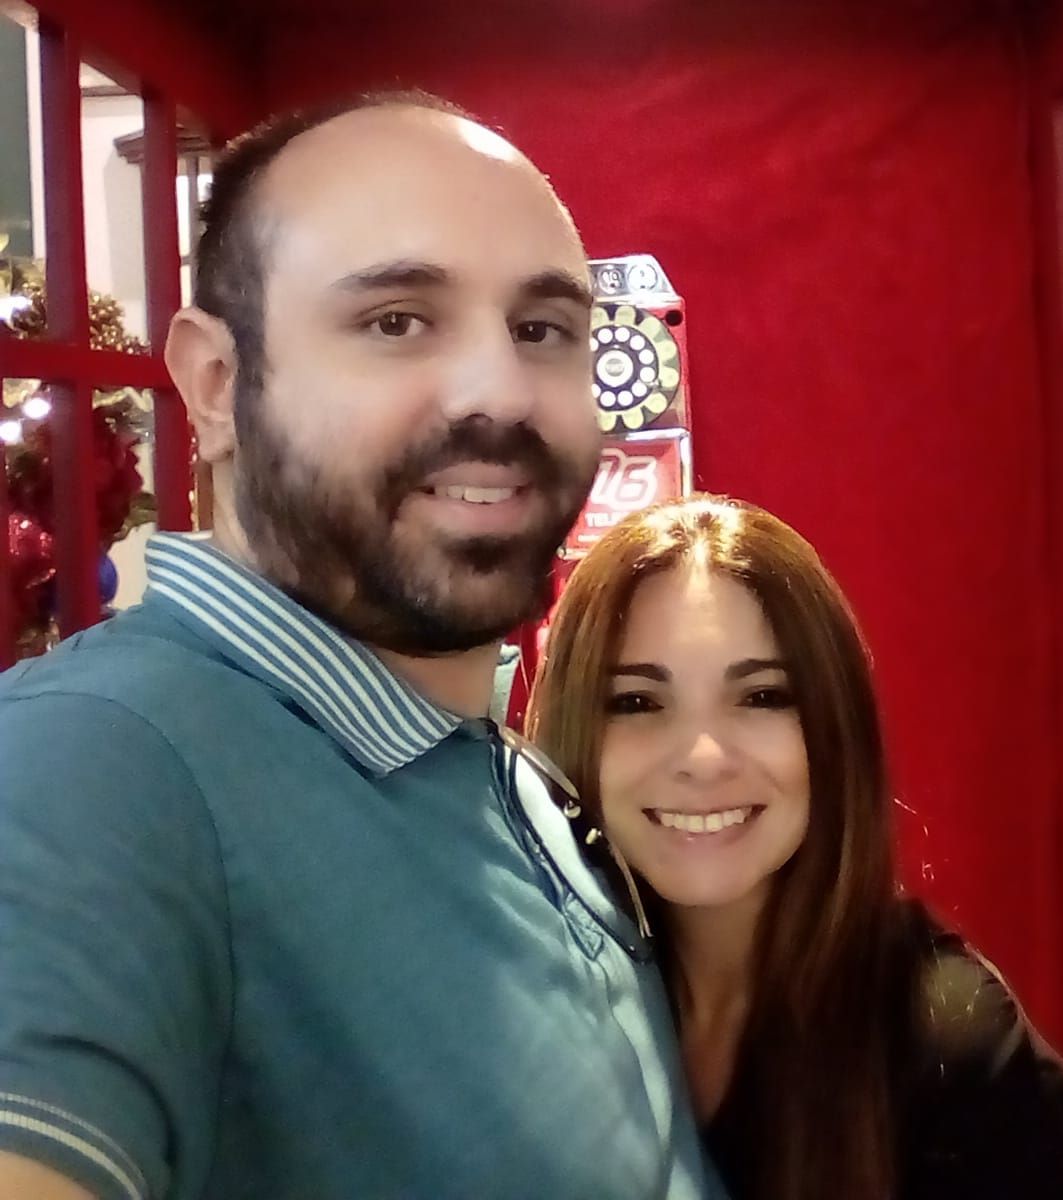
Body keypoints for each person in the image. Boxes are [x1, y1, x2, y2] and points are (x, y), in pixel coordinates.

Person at [0, 93, 719, 1200]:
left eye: (542, 329)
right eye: (396, 320)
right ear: (217, 384)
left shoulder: (487, 753)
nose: (500, 393)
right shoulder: (88, 771)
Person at [528, 495, 1063, 1200]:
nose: (702, 757)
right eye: (636, 702)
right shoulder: (552, 1005)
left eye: (761, 697)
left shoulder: (954, 1055)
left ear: (833, 729)